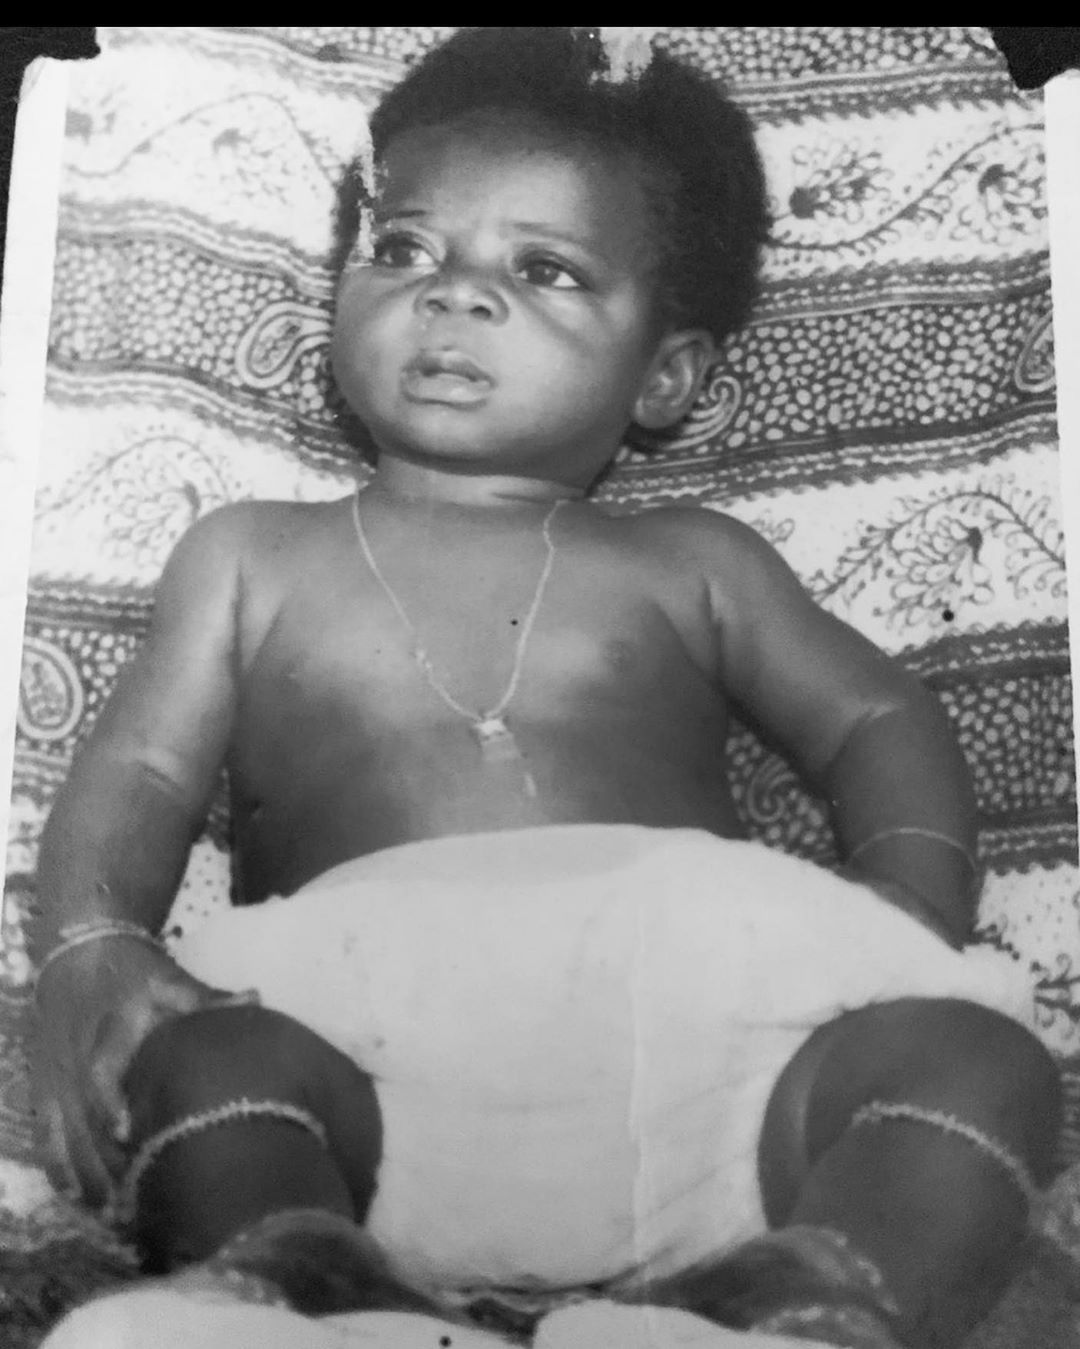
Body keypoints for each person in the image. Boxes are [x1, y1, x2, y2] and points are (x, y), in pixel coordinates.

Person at [32, 27, 1060, 1349]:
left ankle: (811, 1309)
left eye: (544, 269)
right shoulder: (250, 556)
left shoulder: (694, 562)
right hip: (366, 1072)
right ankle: (313, 1293)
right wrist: (89, 944)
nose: (452, 296)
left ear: (666, 377)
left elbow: (875, 716)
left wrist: (906, 913)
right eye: (404, 248)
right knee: (204, 1065)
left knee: (976, 1064)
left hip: (712, 1079)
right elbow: (143, 770)